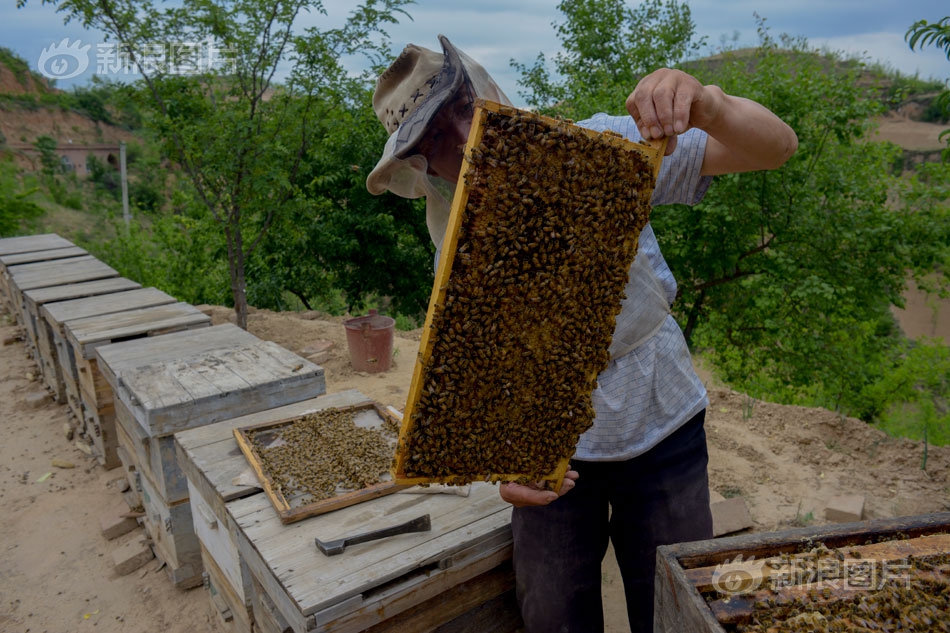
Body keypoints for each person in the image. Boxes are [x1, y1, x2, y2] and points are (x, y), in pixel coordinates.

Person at [366, 35, 797, 633]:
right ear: (419, 164)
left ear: (486, 91)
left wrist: (708, 104)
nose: (463, 141)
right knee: (553, 618)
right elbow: (475, 373)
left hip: (664, 424)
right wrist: (502, 465)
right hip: (552, 461)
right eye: (434, 139)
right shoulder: (456, 246)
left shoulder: (604, 146)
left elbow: (776, 147)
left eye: (461, 112)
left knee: (685, 610)